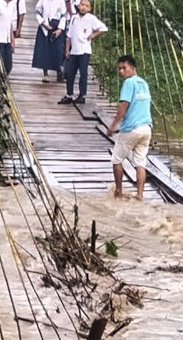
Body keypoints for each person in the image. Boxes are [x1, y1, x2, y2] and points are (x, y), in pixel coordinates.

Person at [107, 55, 152, 200]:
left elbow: (123, 105)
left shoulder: (128, 83)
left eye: (124, 68)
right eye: (119, 68)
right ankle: (139, 194)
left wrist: (114, 125)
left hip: (131, 129)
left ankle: (118, 191)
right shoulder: (144, 83)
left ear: (133, 68)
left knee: (117, 159)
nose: (121, 71)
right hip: (146, 128)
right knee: (140, 163)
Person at [58, 0, 108, 105]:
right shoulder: (74, 18)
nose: (83, 7)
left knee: (83, 73)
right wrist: (67, 49)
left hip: (85, 50)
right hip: (74, 50)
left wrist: (93, 35)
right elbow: (69, 35)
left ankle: (82, 95)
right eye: (82, 5)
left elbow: (103, 28)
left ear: (89, 8)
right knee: (70, 73)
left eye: (86, 6)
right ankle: (69, 95)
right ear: (78, 6)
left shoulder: (91, 18)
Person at [32, 0, 67, 83]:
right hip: (45, 26)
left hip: (57, 26)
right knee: (45, 50)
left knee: (58, 50)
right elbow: (37, 12)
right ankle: (45, 73)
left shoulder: (61, 2)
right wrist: (43, 23)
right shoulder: (42, 1)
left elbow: (63, 16)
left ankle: (59, 71)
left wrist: (60, 29)